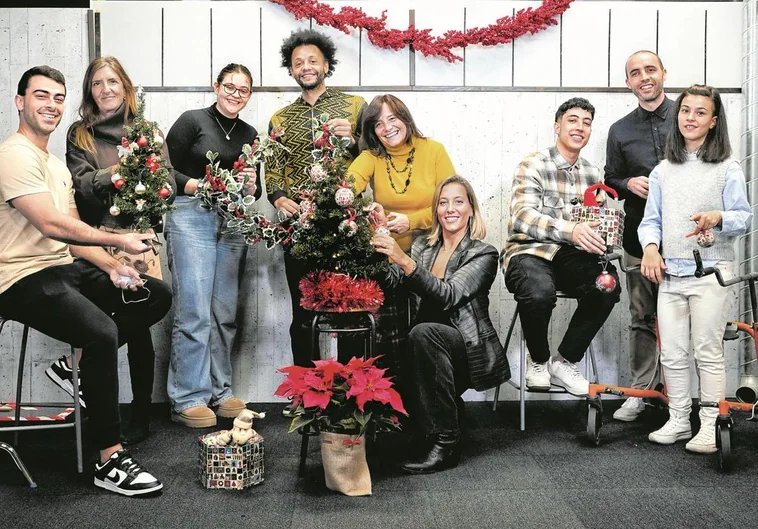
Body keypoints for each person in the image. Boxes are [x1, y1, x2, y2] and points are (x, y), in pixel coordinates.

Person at [0, 65, 171, 496]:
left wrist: (113, 266)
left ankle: (76, 370)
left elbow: (73, 237)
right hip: (20, 276)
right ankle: (108, 457)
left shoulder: (54, 164)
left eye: (58, 98)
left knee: (153, 295)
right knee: (101, 331)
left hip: (64, 267)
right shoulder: (13, 155)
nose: (51, 105)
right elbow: (53, 225)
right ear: (20, 102)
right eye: (41, 96)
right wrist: (115, 239)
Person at [49, 56, 176, 445]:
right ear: (90, 91)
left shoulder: (147, 132)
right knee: (103, 321)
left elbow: (166, 184)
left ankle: (139, 414)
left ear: (126, 87)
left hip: (142, 240)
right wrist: (122, 171)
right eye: (97, 83)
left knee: (140, 329)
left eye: (113, 82)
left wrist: (148, 202)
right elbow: (82, 186)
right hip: (98, 239)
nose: (106, 89)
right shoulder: (80, 135)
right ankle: (95, 397)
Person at [639, 84, 751, 454]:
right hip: (670, 274)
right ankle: (677, 418)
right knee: (671, 352)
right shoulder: (662, 171)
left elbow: (743, 217)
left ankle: (709, 424)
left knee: (707, 351)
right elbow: (650, 221)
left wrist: (718, 217)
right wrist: (651, 250)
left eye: (700, 112)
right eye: (685, 110)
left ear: (714, 121)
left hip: (712, 273)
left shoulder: (727, 168)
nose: (691, 118)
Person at [372, 175, 509, 474]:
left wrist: (404, 261)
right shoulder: (423, 247)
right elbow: (394, 282)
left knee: (425, 332)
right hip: (422, 351)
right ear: (436, 210)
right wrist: (381, 234)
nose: (450, 209)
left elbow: (449, 295)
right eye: (443, 203)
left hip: (465, 352)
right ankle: (442, 415)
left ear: (471, 209)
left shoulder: (483, 253)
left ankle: (447, 444)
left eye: (458, 202)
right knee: (405, 339)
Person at [502, 97, 621, 396]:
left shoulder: (594, 175)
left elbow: (596, 221)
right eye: (573, 120)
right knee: (538, 292)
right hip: (528, 251)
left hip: (571, 256)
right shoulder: (534, 164)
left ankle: (564, 360)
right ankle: (538, 360)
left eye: (587, 122)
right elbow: (522, 216)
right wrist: (571, 230)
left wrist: (604, 238)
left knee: (607, 285)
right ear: (557, 126)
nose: (580, 127)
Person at [164, 63, 261, 428]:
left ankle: (220, 392)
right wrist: (199, 187)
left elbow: (256, 190)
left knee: (224, 313)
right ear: (215, 86)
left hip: (232, 219)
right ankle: (188, 397)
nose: (236, 94)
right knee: (195, 311)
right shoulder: (192, 120)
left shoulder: (250, 133)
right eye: (230, 87)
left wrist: (250, 185)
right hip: (191, 215)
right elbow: (162, 171)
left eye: (244, 90)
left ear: (250, 95)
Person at [267, 29, 366, 371]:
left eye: (312, 61)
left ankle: (353, 394)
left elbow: (374, 156)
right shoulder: (280, 119)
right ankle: (307, 394)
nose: (306, 67)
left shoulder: (354, 106)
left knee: (351, 308)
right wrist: (279, 198)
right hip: (300, 229)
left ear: (326, 64)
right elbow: (274, 169)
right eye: (298, 63)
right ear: (291, 70)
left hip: (347, 225)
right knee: (303, 313)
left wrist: (353, 139)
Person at [349, 94, 456, 372]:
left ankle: (428, 389)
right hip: (390, 258)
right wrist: (364, 208)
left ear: (405, 119)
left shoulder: (433, 150)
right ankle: (392, 393)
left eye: (393, 119)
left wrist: (413, 221)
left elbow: (453, 204)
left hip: (433, 254)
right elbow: (348, 186)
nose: (387, 128)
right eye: (378, 124)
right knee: (388, 329)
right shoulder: (371, 156)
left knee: (425, 325)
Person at [605, 50, 674, 422]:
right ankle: (642, 390)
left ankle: (684, 396)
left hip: (686, 240)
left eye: (650, 69)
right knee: (641, 317)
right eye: (635, 73)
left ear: (664, 72)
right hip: (636, 240)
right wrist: (628, 182)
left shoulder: (688, 116)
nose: (644, 77)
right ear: (628, 82)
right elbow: (610, 177)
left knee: (684, 319)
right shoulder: (619, 130)